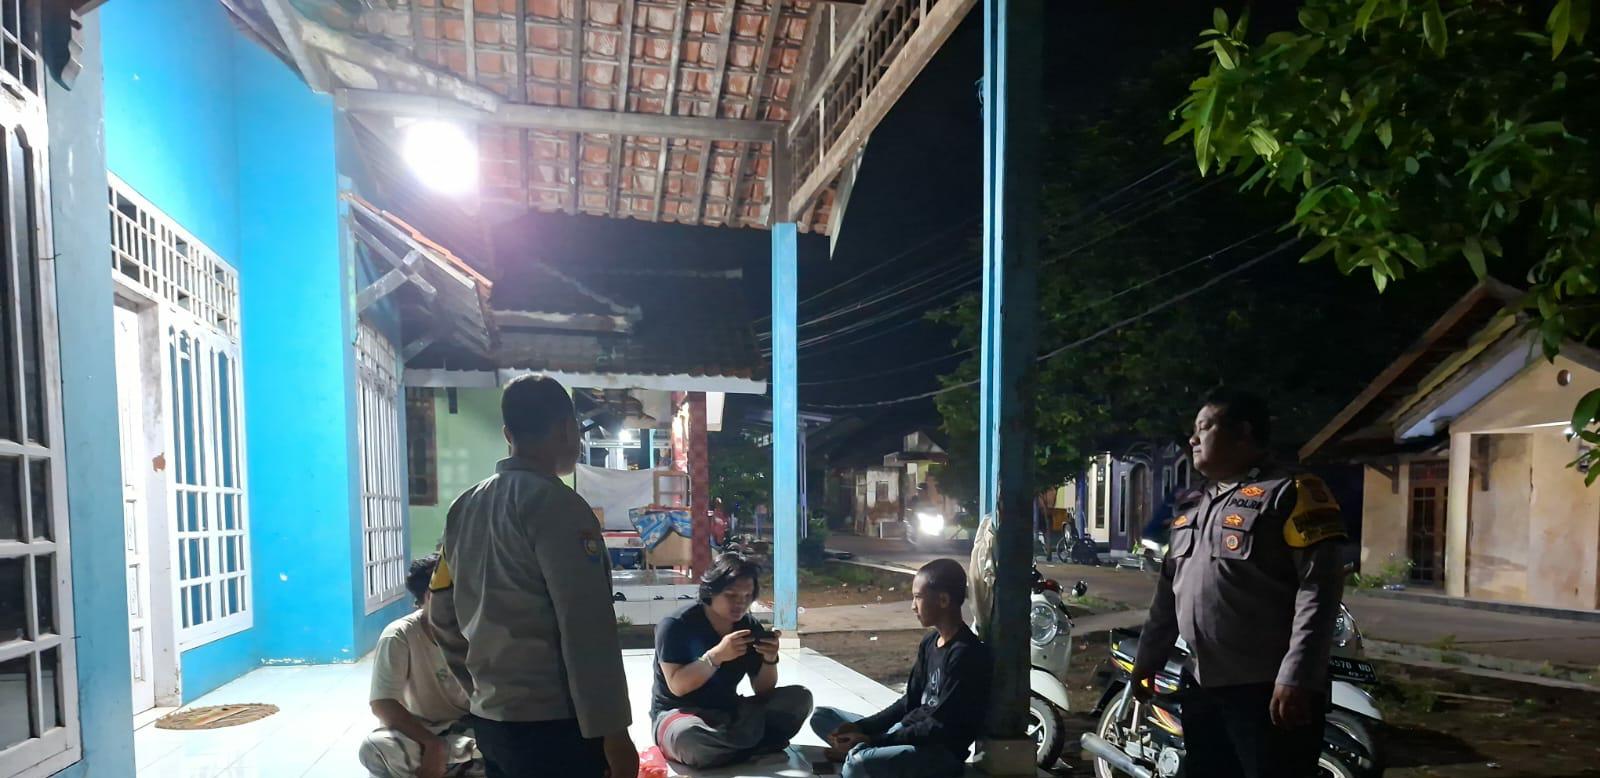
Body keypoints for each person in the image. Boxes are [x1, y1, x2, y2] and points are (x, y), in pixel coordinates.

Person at [426, 375, 637, 778]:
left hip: (492, 721)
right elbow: (585, 626)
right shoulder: (560, 506)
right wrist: (613, 732)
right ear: (568, 429)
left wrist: (479, 692)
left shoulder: (463, 508)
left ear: (508, 434)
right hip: (555, 725)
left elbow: (441, 614)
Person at [1131, 389, 1349, 778]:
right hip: (1201, 684)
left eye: (1204, 427)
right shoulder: (1192, 503)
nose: (1192, 439)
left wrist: (1297, 675)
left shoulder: (1292, 492)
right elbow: (1168, 592)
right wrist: (1148, 657)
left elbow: (1319, 590)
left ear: (1243, 433)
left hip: (1269, 689)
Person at [811, 558, 990, 778]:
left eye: (918, 597)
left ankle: (857, 754)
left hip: (938, 752)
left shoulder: (966, 654)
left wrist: (874, 740)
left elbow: (938, 728)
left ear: (943, 600)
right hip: (905, 731)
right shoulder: (930, 642)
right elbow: (908, 702)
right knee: (822, 717)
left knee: (857, 764)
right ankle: (858, 751)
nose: (913, 606)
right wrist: (861, 728)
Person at [650, 553, 813, 768]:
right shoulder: (676, 625)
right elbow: (678, 686)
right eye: (731, 595)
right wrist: (716, 656)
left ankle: (732, 747)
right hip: (680, 714)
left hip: (729, 711)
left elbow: (763, 690)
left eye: (747, 596)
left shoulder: (748, 626)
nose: (740, 603)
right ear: (711, 591)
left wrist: (770, 659)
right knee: (689, 739)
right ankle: (753, 744)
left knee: (799, 698)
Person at [360, 555, 482, 778]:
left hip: (472, 732)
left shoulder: (479, 631)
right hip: (422, 733)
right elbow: (383, 703)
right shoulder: (400, 635)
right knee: (375, 748)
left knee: (514, 744)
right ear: (430, 597)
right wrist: (432, 744)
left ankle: (457, 765)